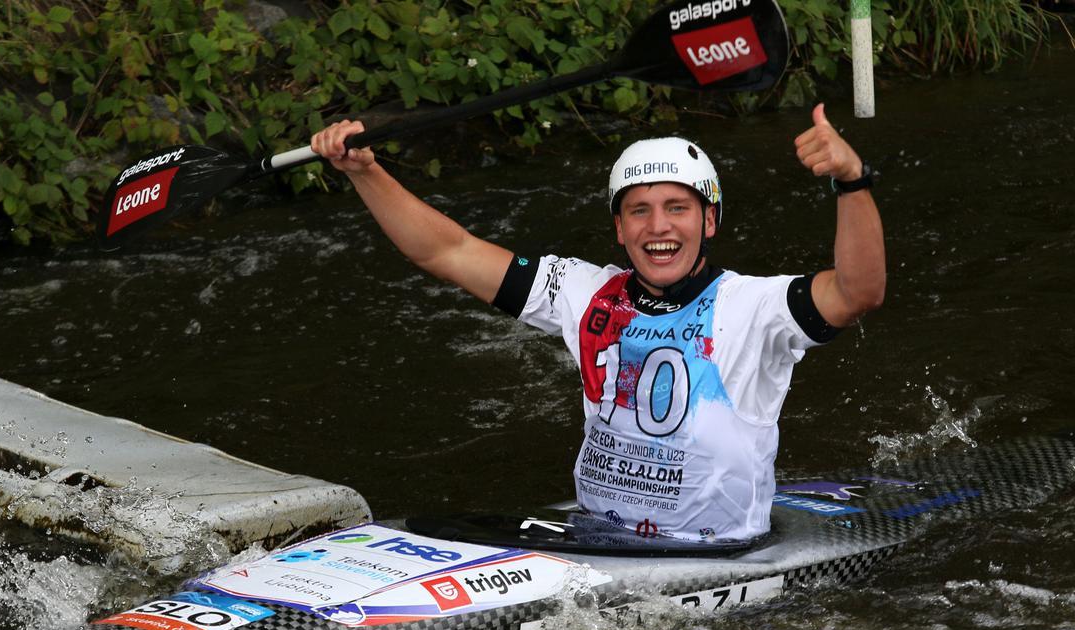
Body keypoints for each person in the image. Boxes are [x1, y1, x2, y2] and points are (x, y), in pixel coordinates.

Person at [310, 104, 884, 543]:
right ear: (619, 227)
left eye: (677, 208)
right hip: (597, 538)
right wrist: (366, 173)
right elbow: (448, 252)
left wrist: (851, 181)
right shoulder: (584, 291)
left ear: (709, 220)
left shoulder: (755, 307)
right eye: (639, 209)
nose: (658, 227)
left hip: (713, 555)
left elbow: (859, 292)